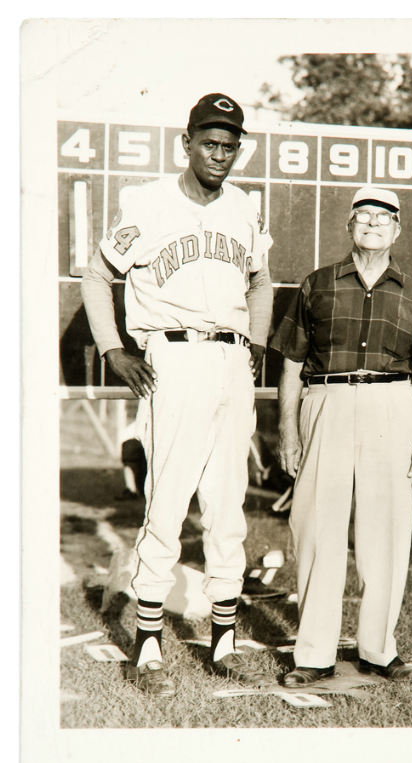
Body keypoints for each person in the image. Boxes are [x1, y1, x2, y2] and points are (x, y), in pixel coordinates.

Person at [81, 93, 273, 696]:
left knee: (226, 504)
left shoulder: (245, 208)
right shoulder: (147, 203)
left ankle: (221, 640)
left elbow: (262, 279)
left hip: (230, 359)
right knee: (167, 506)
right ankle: (147, 646)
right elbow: (96, 273)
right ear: (186, 143)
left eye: (230, 144)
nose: (220, 154)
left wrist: (257, 341)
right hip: (173, 357)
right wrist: (114, 347)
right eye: (210, 142)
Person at [270, 186, 412, 687]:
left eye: (384, 217)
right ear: (349, 226)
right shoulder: (317, 284)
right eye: (363, 215)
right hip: (325, 400)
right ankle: (312, 655)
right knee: (317, 527)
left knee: (386, 529)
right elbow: (290, 361)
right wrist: (287, 427)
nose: (373, 223)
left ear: (397, 230)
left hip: (392, 407)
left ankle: (377, 650)